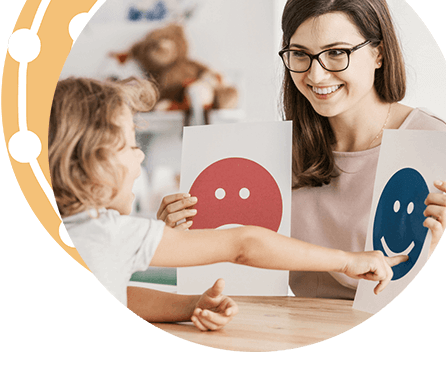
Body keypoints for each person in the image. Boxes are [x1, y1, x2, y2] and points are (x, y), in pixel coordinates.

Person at [159, 0, 446, 300]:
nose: (316, 75)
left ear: (379, 52)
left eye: (336, 53)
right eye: (300, 54)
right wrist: (181, 237)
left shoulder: (429, 141)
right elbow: (240, 263)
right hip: (296, 328)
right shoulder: (279, 151)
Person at [50, 76, 406, 331]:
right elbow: (243, 243)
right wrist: (347, 260)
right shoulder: (108, 233)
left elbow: (119, 293)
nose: (140, 156)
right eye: (129, 144)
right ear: (93, 162)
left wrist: (190, 305)